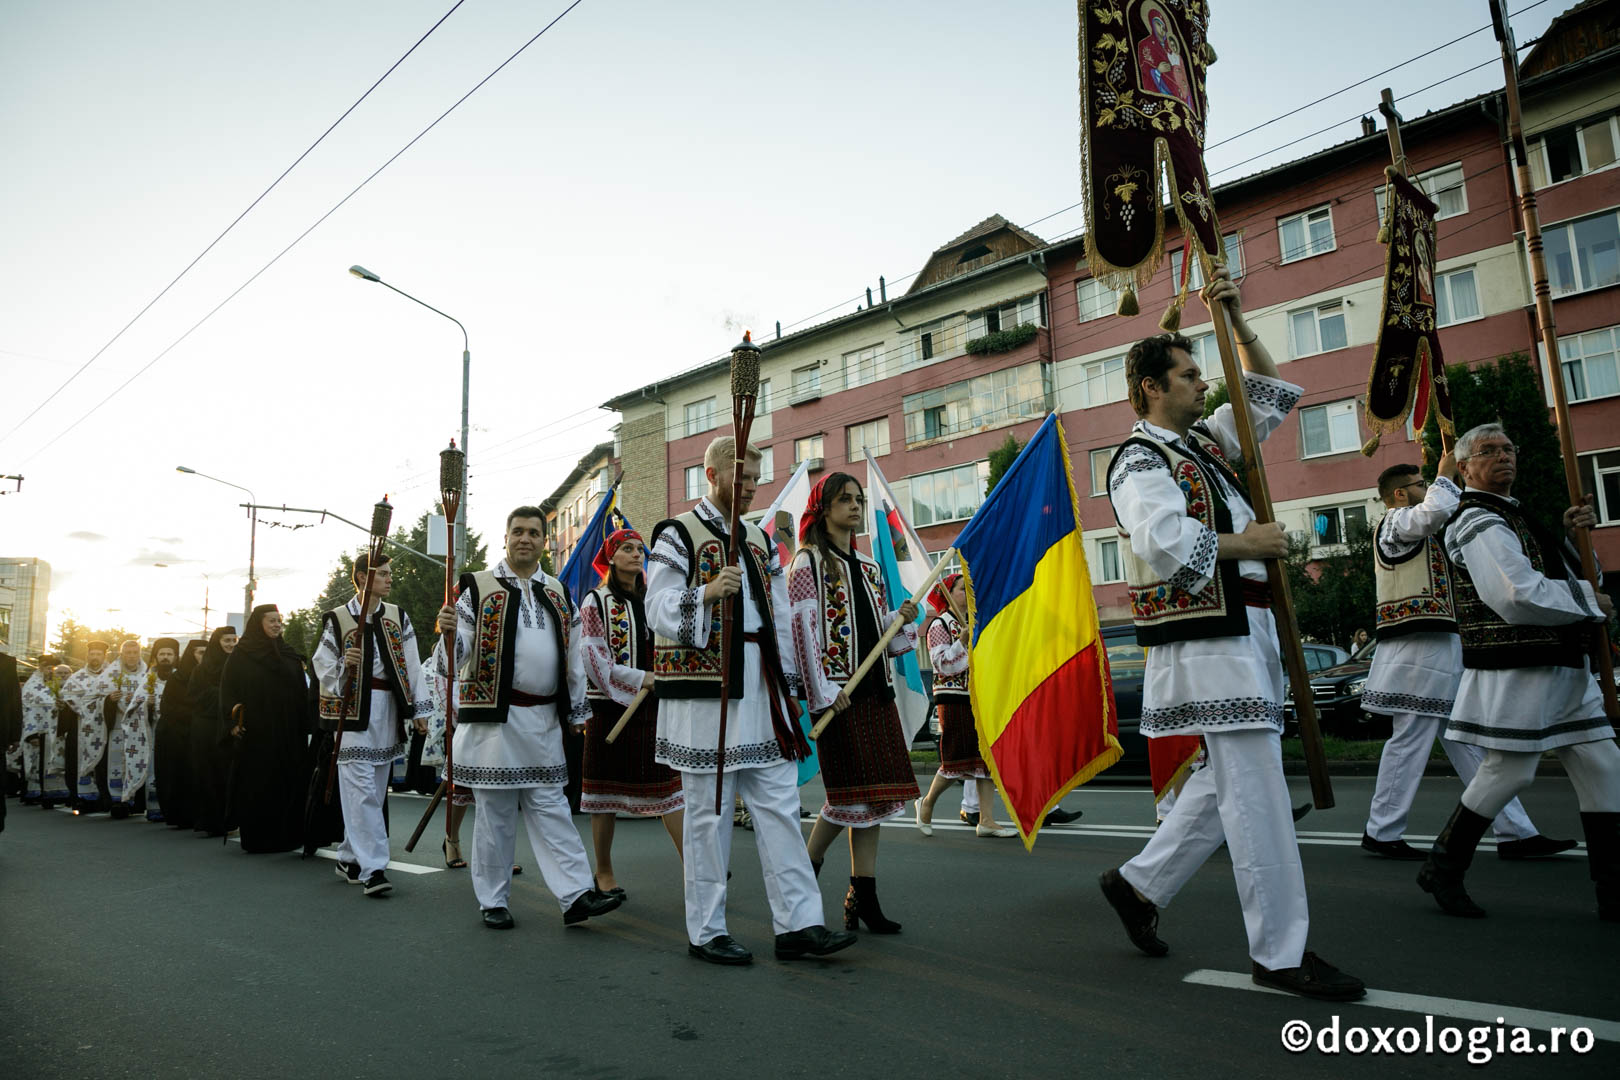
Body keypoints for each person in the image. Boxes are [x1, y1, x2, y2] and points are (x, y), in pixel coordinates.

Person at [1096, 266, 1365, 1001]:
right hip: (1208, 644)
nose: (1201, 385)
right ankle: (1281, 952)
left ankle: (1137, 884)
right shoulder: (1140, 458)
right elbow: (1159, 538)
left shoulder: (1207, 449)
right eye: (1187, 375)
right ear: (1151, 386)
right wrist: (1252, 544)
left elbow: (1266, 396)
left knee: (1225, 783)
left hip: (1246, 629)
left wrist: (1238, 321)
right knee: (1256, 791)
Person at [646, 436, 854, 965]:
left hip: (761, 687)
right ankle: (707, 929)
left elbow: (782, 614)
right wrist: (707, 593)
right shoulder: (678, 533)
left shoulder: (760, 540)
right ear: (711, 475)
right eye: (739, 476)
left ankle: (800, 925)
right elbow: (656, 605)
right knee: (708, 814)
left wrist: (796, 686)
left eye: (754, 478)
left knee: (781, 807)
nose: (748, 485)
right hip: (706, 692)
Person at [1419, 423, 1620, 921]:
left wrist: (1577, 537)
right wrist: (1589, 604)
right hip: (1519, 662)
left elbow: (1570, 577)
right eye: (1487, 451)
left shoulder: (1514, 512)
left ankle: (1613, 889)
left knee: (1605, 766)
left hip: (1559, 662)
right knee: (1509, 768)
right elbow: (1515, 593)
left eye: (1508, 448)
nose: (1502, 456)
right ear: (1464, 467)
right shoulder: (1476, 518)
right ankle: (1443, 865)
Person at [1360, 458, 1571, 861]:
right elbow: (1436, 509)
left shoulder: (1429, 530)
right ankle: (1382, 830)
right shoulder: (1393, 523)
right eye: (1421, 484)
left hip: (1442, 643)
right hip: (1415, 647)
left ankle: (1516, 832)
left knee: (1467, 741)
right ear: (1400, 494)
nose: (1432, 489)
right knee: (1412, 737)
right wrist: (1445, 471)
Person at [435, 507, 623, 930]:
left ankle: (575, 894)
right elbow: (457, 655)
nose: (525, 539)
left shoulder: (557, 591)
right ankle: (493, 899)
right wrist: (450, 635)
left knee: (551, 808)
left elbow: (574, 654)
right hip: (493, 725)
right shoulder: (475, 588)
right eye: (518, 531)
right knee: (496, 813)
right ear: (505, 537)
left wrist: (577, 709)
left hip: (542, 721)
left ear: (544, 540)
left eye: (534, 533)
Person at [789, 472, 921, 934]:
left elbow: (875, 632)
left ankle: (862, 896)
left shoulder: (867, 567)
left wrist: (897, 620)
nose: (855, 506)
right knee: (846, 796)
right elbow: (803, 631)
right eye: (845, 499)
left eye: (859, 499)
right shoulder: (807, 563)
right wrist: (822, 692)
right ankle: (805, 868)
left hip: (874, 690)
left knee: (876, 799)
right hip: (839, 696)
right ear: (823, 508)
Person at [313, 554, 430, 897]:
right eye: (383, 574)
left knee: (375, 793)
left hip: (387, 712)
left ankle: (349, 856)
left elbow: (412, 665)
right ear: (362, 578)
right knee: (361, 792)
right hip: (352, 716)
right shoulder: (338, 618)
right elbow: (322, 665)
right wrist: (344, 665)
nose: (389, 579)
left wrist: (420, 709)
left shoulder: (398, 616)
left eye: (390, 573)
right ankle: (373, 868)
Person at [579, 528, 684, 898]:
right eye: (627, 549)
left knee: (670, 787)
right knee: (604, 793)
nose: (637, 555)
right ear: (611, 557)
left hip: (654, 707)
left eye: (641, 549)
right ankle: (604, 871)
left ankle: (696, 864)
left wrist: (663, 678)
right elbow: (593, 656)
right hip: (610, 708)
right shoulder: (596, 601)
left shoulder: (654, 599)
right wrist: (641, 679)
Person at [915, 571, 1018, 839]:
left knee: (986, 760)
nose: (967, 594)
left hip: (979, 696)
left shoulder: (975, 623)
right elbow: (942, 665)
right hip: (952, 698)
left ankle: (986, 820)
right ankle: (926, 804)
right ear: (949, 595)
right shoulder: (939, 625)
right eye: (962, 589)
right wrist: (961, 640)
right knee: (955, 760)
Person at [221, 606, 315, 854]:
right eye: (271, 621)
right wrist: (232, 724)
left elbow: (301, 692)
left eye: (279, 621)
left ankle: (290, 836)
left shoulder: (288, 654)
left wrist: (308, 722)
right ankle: (259, 838)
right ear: (258, 624)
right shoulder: (242, 655)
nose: (277, 625)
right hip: (258, 732)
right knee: (259, 784)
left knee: (290, 781)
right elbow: (228, 691)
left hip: (289, 732)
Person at [189, 626, 237, 836]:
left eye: (233, 640)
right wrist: (222, 694)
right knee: (208, 773)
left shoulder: (238, 665)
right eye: (226, 640)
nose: (230, 644)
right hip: (206, 728)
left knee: (228, 774)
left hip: (229, 728)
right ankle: (209, 821)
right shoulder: (202, 669)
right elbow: (194, 696)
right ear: (217, 641)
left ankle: (228, 820)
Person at [155, 639, 205, 830]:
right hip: (176, 734)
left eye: (206, 652)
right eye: (199, 652)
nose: (202, 656)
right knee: (178, 776)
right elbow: (168, 707)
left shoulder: (210, 675)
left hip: (199, 733)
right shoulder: (179, 678)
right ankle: (179, 814)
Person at [62, 640, 113, 812]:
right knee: (79, 760)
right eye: (92, 654)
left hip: (106, 725)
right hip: (82, 725)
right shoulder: (76, 678)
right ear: (87, 656)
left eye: (99, 654)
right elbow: (69, 698)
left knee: (104, 762)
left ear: (104, 657)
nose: (95, 657)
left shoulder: (111, 676)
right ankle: (83, 799)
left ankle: (105, 799)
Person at [17, 656, 69, 808]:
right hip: (38, 732)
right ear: (40, 667)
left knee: (54, 761)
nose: (50, 671)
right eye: (48, 668)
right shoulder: (31, 685)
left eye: (52, 668)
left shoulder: (56, 685)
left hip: (55, 731)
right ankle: (39, 793)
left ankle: (56, 794)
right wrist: (31, 734)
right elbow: (25, 711)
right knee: (38, 763)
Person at [141, 638, 179, 823]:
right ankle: (154, 807)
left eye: (169, 654)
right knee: (153, 768)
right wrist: (145, 706)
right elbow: (133, 706)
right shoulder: (146, 678)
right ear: (156, 656)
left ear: (175, 657)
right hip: (152, 730)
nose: (165, 658)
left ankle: (174, 807)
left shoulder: (181, 677)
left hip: (176, 731)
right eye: (162, 654)